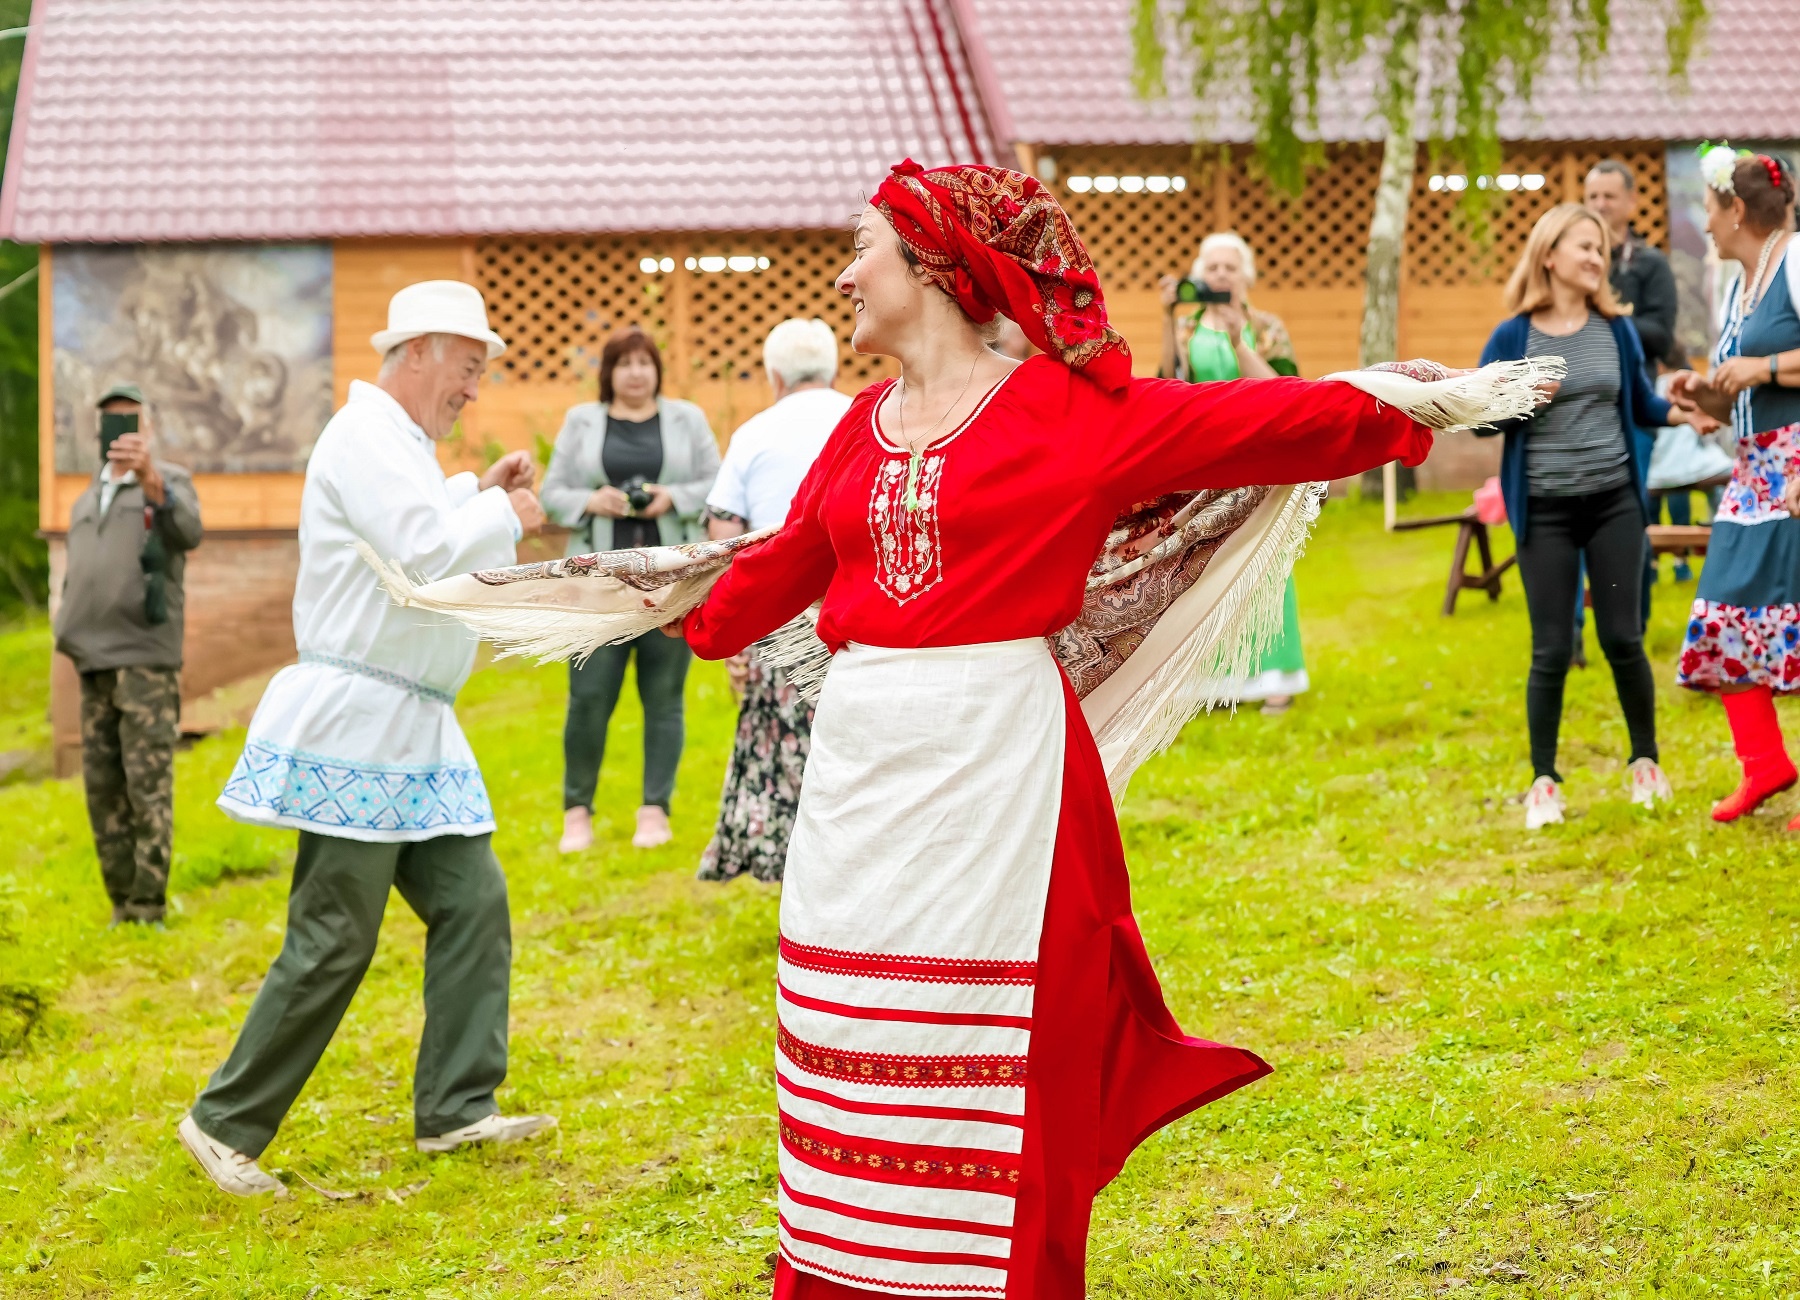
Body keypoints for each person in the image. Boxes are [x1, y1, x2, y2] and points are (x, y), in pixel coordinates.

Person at [672, 160, 1453, 1298]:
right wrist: (648, 600)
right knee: (855, 1039)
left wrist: (1396, 401)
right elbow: (769, 575)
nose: (845, 273)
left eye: (865, 247)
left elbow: (1246, 423)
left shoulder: (1062, 413)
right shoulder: (856, 426)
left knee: (993, 1053)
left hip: (1001, 773)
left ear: (933, 263)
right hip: (859, 783)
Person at [187, 281, 554, 1196]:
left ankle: (457, 1109)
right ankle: (222, 1122)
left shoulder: (404, 448)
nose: (474, 389)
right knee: (335, 936)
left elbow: (429, 520)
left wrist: (476, 488)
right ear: (421, 350)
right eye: (468, 368)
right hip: (360, 724)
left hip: (415, 730)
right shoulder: (363, 436)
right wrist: (502, 512)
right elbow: (424, 551)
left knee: (474, 907)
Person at [1479, 204, 1694, 829]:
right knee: (1551, 647)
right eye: (1584, 247)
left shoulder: (1616, 330)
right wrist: (1521, 400)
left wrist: (1684, 413)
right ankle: (1543, 780)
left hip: (1613, 504)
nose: (1597, 258)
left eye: (1600, 249)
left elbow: (1644, 404)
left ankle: (1645, 762)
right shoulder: (1512, 336)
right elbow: (1481, 418)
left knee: (1622, 639)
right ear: (1549, 255)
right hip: (1544, 512)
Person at [539, 327, 721, 853]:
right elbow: (552, 494)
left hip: (668, 588)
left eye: (645, 362)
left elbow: (716, 481)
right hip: (600, 590)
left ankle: (654, 810)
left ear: (657, 370)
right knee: (589, 699)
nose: (636, 373)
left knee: (664, 700)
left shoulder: (686, 418)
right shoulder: (582, 422)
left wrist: (675, 497)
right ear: (609, 373)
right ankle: (577, 812)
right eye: (625, 363)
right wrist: (592, 501)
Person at [1667, 148, 1800, 825]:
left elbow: (1766, 371)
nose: (1708, 227)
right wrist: (1705, 398)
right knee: (1721, 611)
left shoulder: (1798, 260)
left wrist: (1763, 368)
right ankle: (1765, 765)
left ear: (1738, 209)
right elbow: (1740, 384)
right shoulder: (1734, 287)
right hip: (1754, 469)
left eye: (1712, 212)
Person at [697, 318, 851, 883]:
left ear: (774, 375)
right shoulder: (864, 417)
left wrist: (731, 635)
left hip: (776, 616)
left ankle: (796, 879)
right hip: (855, 614)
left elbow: (723, 534)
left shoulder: (754, 433)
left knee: (785, 752)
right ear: (833, 368)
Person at [54, 384, 203, 926]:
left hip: (145, 658)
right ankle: (121, 901)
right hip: (90, 658)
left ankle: (149, 903)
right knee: (103, 786)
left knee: (147, 783)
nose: (118, 432)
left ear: (148, 429)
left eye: (129, 421)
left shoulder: (169, 484)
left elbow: (190, 532)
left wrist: (151, 480)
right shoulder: (84, 497)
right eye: (110, 422)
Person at [1159, 232, 1308, 713]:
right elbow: (1166, 381)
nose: (1221, 274)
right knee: (1204, 561)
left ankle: (1276, 673)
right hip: (1205, 453)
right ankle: (1211, 680)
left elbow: (1285, 389)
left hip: (1259, 450)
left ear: (1246, 275)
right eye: (1213, 267)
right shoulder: (1187, 327)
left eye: (1230, 266)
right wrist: (1167, 318)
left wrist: (1237, 341)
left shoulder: (1267, 327)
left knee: (1266, 558)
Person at [1584, 160, 1690, 601]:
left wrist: (1605, 317)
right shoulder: (1573, 259)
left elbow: (1662, 337)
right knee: (1574, 524)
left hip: (1631, 409)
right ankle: (1572, 631)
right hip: (1574, 409)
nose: (1600, 205)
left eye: (1609, 196)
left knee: (1629, 517)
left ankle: (1634, 618)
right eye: (1592, 197)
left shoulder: (1649, 264)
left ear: (1631, 202)